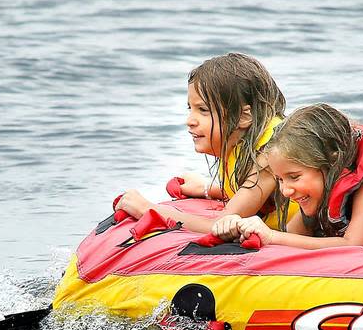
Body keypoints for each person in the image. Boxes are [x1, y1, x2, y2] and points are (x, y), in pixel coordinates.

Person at [113, 53, 298, 233]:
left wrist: (147, 209)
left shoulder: (271, 154)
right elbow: (252, 191)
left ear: (244, 116)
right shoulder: (247, 147)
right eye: (190, 108)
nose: (190, 120)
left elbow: (219, 224)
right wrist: (206, 188)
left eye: (202, 110)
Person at [223, 103, 363, 248]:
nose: (286, 191)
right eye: (279, 179)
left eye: (294, 177)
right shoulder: (319, 186)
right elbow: (292, 235)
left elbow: (353, 245)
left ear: (333, 161)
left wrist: (272, 236)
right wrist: (244, 230)